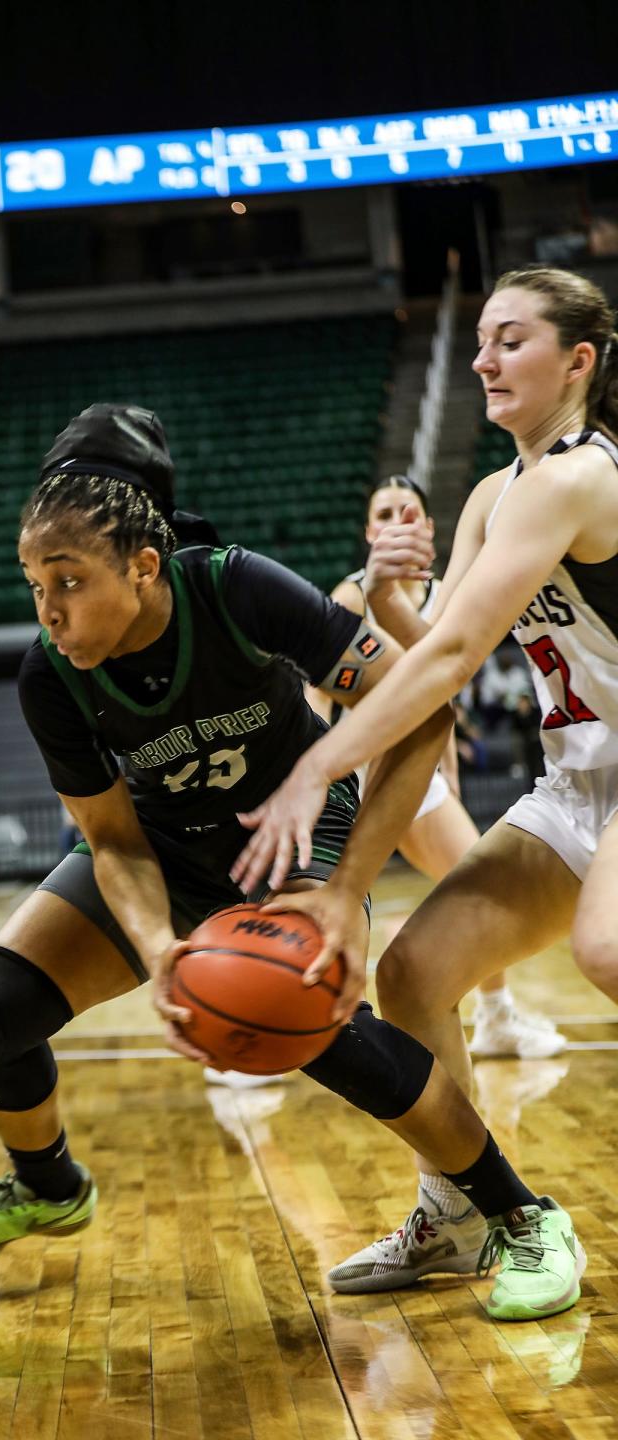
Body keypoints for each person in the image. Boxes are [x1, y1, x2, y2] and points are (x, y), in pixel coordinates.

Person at [0, 402, 583, 1325]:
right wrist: (157, 951)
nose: (49, 610)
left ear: (143, 567)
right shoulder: (50, 675)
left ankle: (521, 1215)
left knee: (329, 1034)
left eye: (66, 581)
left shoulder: (235, 590)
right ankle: (46, 1182)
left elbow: (422, 716)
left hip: (289, 839)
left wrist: (345, 892)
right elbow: (111, 841)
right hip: (161, 854)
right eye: (34, 586)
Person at [231, 264, 618, 1296]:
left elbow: (450, 668)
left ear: (577, 361)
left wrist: (321, 760)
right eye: (482, 340)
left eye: (513, 341)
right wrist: (396, 591)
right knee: (412, 977)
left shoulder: (580, 477)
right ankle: (454, 1216)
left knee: (608, 948)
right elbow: (438, 639)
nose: (486, 360)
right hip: (581, 778)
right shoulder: (498, 491)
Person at [307, 474, 564, 1060]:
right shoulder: (352, 595)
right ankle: (262, 1034)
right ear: (369, 531)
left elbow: (441, 698)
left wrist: (445, 771)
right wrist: (315, 765)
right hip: (356, 776)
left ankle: (497, 1018)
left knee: (476, 889)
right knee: (322, 904)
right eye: (384, 513)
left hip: (416, 775)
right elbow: (316, 695)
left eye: (409, 511)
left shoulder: (449, 593)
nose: (397, 520)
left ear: (427, 528)